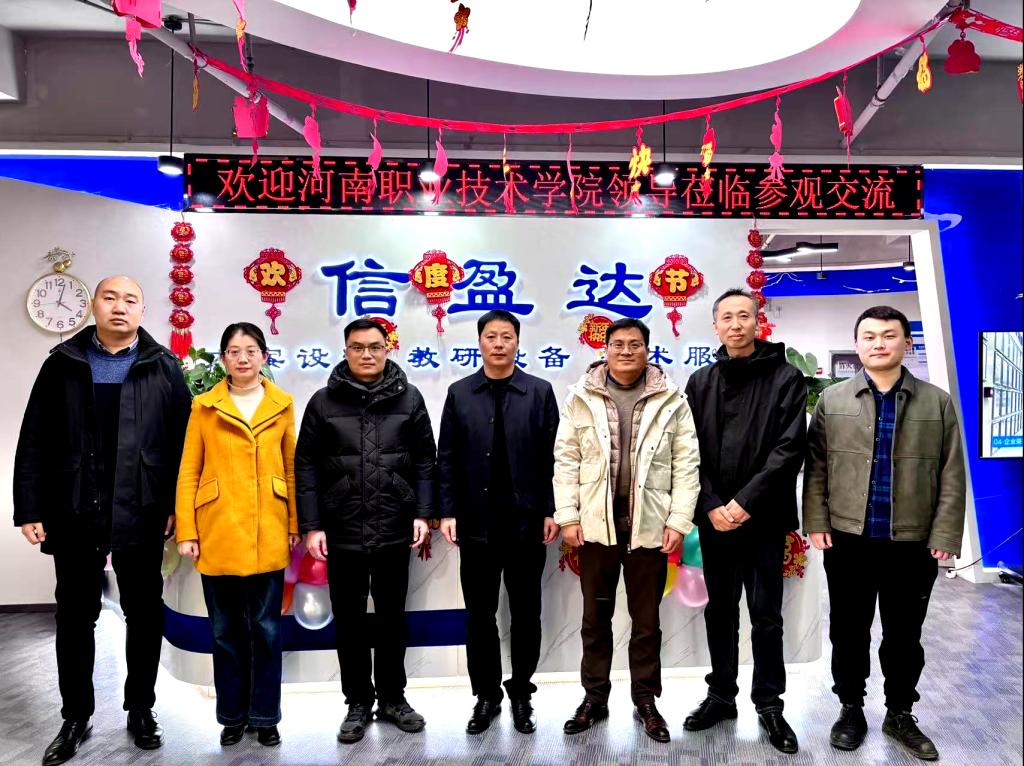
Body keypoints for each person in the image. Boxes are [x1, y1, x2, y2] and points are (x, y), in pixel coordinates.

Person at [13, 276, 191, 766]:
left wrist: (178, 505)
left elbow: (184, 444)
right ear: (94, 305)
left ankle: (141, 708)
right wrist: (29, 508)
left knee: (144, 611)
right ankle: (75, 716)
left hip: (142, 506)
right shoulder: (62, 364)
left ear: (142, 311)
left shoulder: (163, 366)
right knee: (75, 615)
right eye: (109, 298)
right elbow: (34, 438)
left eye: (130, 300)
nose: (119, 307)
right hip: (74, 505)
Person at [804, 305, 966, 762]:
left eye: (889, 335)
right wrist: (816, 520)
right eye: (870, 336)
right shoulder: (833, 400)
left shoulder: (935, 402)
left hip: (912, 543)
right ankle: (850, 708)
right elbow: (816, 468)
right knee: (848, 630)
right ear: (857, 344)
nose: (879, 343)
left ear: (906, 343)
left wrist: (945, 533)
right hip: (848, 539)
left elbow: (952, 473)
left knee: (904, 635)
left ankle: (900, 713)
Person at [553, 318, 700, 743]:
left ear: (647, 350)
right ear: (605, 349)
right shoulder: (581, 397)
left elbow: (686, 464)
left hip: (649, 528)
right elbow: (566, 460)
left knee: (647, 623)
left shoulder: (671, 399)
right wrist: (568, 516)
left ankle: (646, 701)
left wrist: (678, 521)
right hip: (596, 528)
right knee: (595, 619)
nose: (626, 351)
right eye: (618, 344)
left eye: (635, 344)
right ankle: (594, 699)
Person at [295, 318, 437, 744]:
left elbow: (425, 460)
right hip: (341, 527)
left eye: (375, 347)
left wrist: (423, 513)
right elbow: (306, 466)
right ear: (345, 351)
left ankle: (394, 698)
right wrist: (311, 525)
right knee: (350, 621)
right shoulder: (323, 402)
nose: (367, 354)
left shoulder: (410, 398)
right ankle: (357, 701)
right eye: (357, 347)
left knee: (392, 618)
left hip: (395, 524)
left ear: (387, 349)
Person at [681, 288, 807, 755]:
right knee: (720, 611)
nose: (735, 325)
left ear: (758, 322)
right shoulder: (701, 381)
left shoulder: (786, 377)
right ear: (715, 326)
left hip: (764, 518)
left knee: (766, 614)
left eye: (744, 316)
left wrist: (745, 502)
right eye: (727, 318)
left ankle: (770, 703)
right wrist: (712, 504)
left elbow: (789, 448)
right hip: (715, 519)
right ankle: (721, 695)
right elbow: (687, 450)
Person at [175, 322, 300, 748]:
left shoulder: (282, 403)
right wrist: (187, 530)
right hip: (218, 529)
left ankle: (265, 716)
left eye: (250, 350)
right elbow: (189, 471)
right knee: (225, 631)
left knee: (267, 630)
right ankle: (231, 715)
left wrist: (294, 524)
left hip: (269, 529)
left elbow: (291, 468)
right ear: (224, 358)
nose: (242, 358)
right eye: (233, 351)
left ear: (264, 356)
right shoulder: (204, 406)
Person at [437, 310, 561, 735]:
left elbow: (554, 458)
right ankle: (486, 695)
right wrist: (447, 511)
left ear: (517, 342)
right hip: (476, 524)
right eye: (491, 336)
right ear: (479, 342)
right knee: (479, 615)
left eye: (507, 336)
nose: (499, 344)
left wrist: (551, 509)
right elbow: (446, 458)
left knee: (526, 615)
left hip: (527, 524)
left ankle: (522, 693)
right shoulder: (459, 393)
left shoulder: (539, 392)